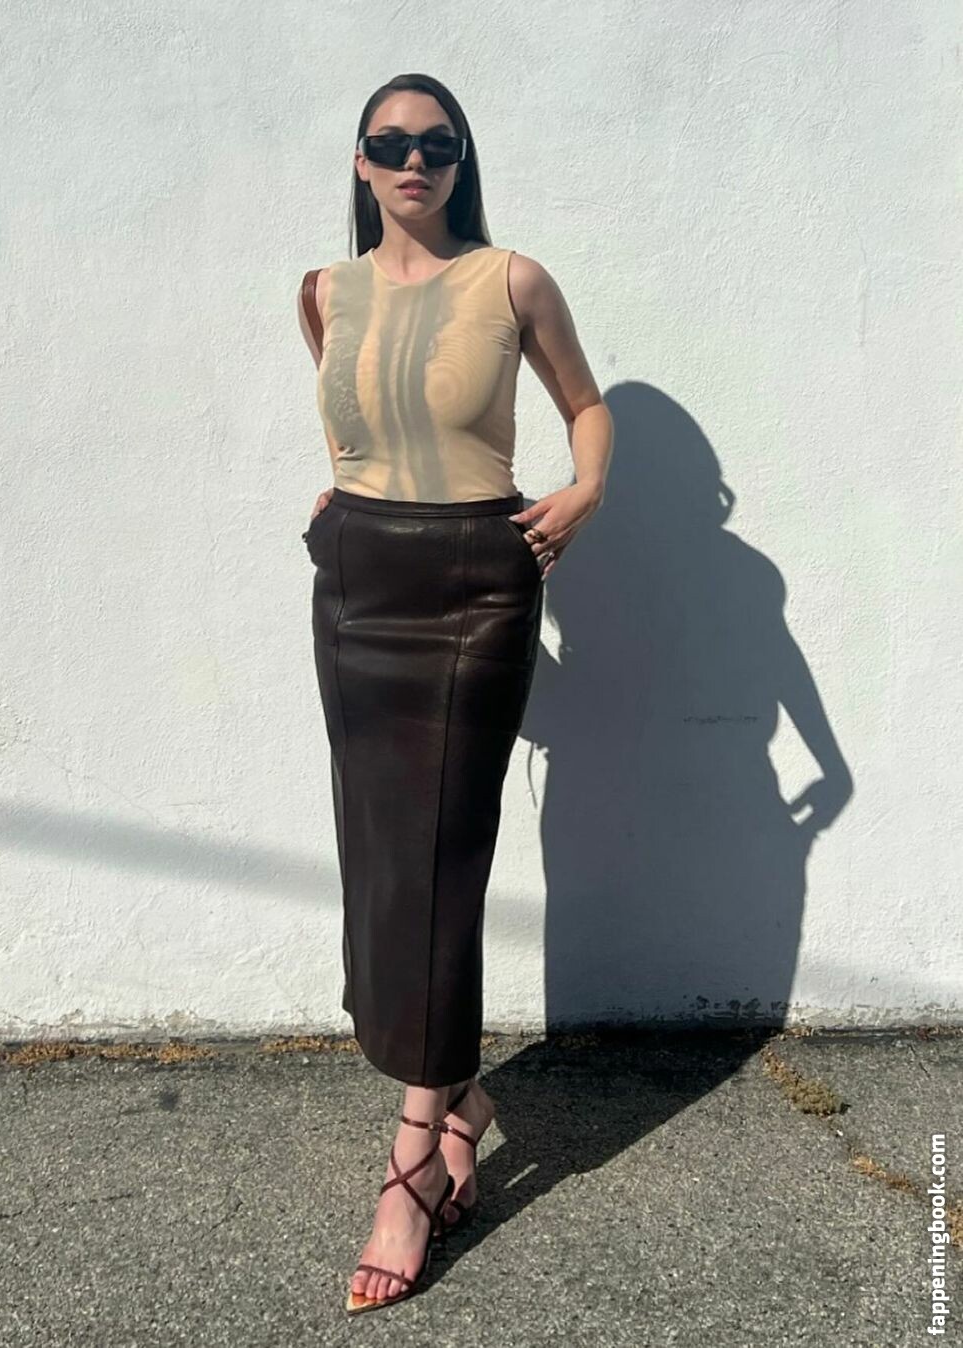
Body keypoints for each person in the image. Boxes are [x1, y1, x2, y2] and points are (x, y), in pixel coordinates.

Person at [296, 73, 614, 1314]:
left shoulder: (513, 280)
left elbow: (584, 407)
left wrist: (582, 493)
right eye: (390, 144)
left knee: (441, 856)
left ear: (461, 160)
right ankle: (463, 1097)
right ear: (361, 163)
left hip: (480, 582)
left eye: (437, 144)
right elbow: (359, 420)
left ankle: (415, 1155)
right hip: (359, 583)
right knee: (378, 858)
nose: (413, 161)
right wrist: (347, 493)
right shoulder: (323, 291)